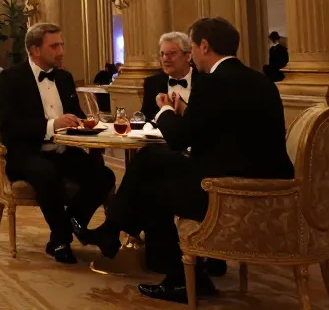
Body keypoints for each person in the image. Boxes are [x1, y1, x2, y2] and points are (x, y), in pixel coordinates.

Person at [82, 17, 293, 303]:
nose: (192, 55)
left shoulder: (212, 83)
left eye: (192, 48)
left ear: (204, 46)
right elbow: (220, 128)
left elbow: (181, 140)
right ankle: (116, 233)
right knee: (150, 158)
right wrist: (186, 113)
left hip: (226, 190)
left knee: (152, 186)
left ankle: (178, 275)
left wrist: (166, 111)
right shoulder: (260, 80)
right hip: (268, 183)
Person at [0, 22, 114, 264]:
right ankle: (61, 240)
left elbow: (75, 114)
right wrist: (52, 126)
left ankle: (68, 226)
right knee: (46, 173)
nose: (61, 51)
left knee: (105, 177)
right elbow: (10, 127)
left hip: (63, 150)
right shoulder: (11, 78)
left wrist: (86, 124)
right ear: (35, 50)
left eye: (61, 44)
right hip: (28, 153)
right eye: (55, 46)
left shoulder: (64, 77)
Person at [141, 32, 193, 121]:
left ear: (188, 56)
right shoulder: (152, 83)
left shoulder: (205, 81)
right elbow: (145, 118)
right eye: (162, 54)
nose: (165, 58)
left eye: (171, 53)